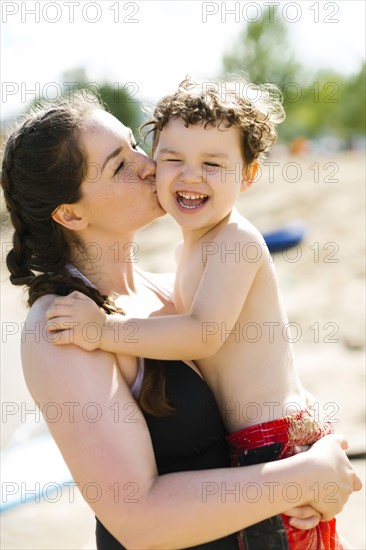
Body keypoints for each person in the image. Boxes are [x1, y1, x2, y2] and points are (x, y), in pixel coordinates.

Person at [1, 90, 361, 550]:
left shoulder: (166, 287)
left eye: (135, 144)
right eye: (119, 165)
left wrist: (318, 462)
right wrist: (303, 477)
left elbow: (257, 380)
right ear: (70, 213)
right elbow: (139, 520)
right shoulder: (62, 327)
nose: (148, 165)